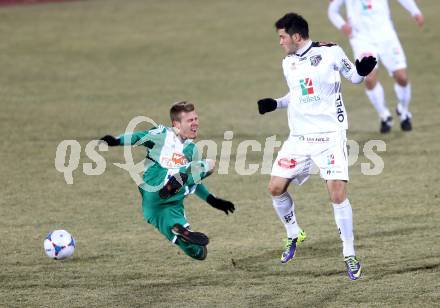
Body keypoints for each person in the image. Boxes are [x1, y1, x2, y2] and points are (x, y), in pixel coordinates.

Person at [257, 12, 376, 280]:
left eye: (282, 37)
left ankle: (349, 253)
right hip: (299, 138)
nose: (280, 42)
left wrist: (362, 70)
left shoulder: (331, 52)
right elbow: (298, 95)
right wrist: (276, 103)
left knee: (336, 194)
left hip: (330, 136)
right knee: (275, 188)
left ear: (296, 36)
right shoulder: (288, 63)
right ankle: (293, 233)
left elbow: (354, 76)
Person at [100, 101, 235, 260]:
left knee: (198, 252)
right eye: (190, 120)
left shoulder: (191, 150)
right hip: (155, 183)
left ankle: (180, 228)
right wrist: (117, 140)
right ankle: (171, 184)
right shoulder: (162, 134)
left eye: (196, 119)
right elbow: (139, 137)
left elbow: (193, 180)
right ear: (176, 124)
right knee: (210, 164)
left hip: (161, 206)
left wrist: (212, 200)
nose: (195, 123)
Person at [328, 0, 424, 133]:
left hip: (387, 37)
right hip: (362, 39)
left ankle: (404, 111)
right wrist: (342, 25)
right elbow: (333, 10)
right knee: (369, 77)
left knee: (402, 77)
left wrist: (415, 12)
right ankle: (384, 116)